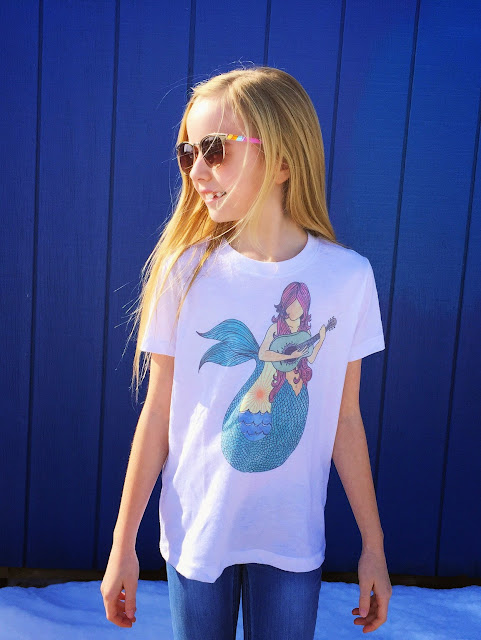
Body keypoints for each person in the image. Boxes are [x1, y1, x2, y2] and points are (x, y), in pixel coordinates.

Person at [100, 65, 392, 638]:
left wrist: (374, 547)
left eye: (215, 149)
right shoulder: (184, 274)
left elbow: (344, 419)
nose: (197, 171)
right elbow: (158, 413)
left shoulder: (348, 279)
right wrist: (122, 545)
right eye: (188, 153)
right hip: (197, 534)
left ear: (282, 160)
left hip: (291, 539)